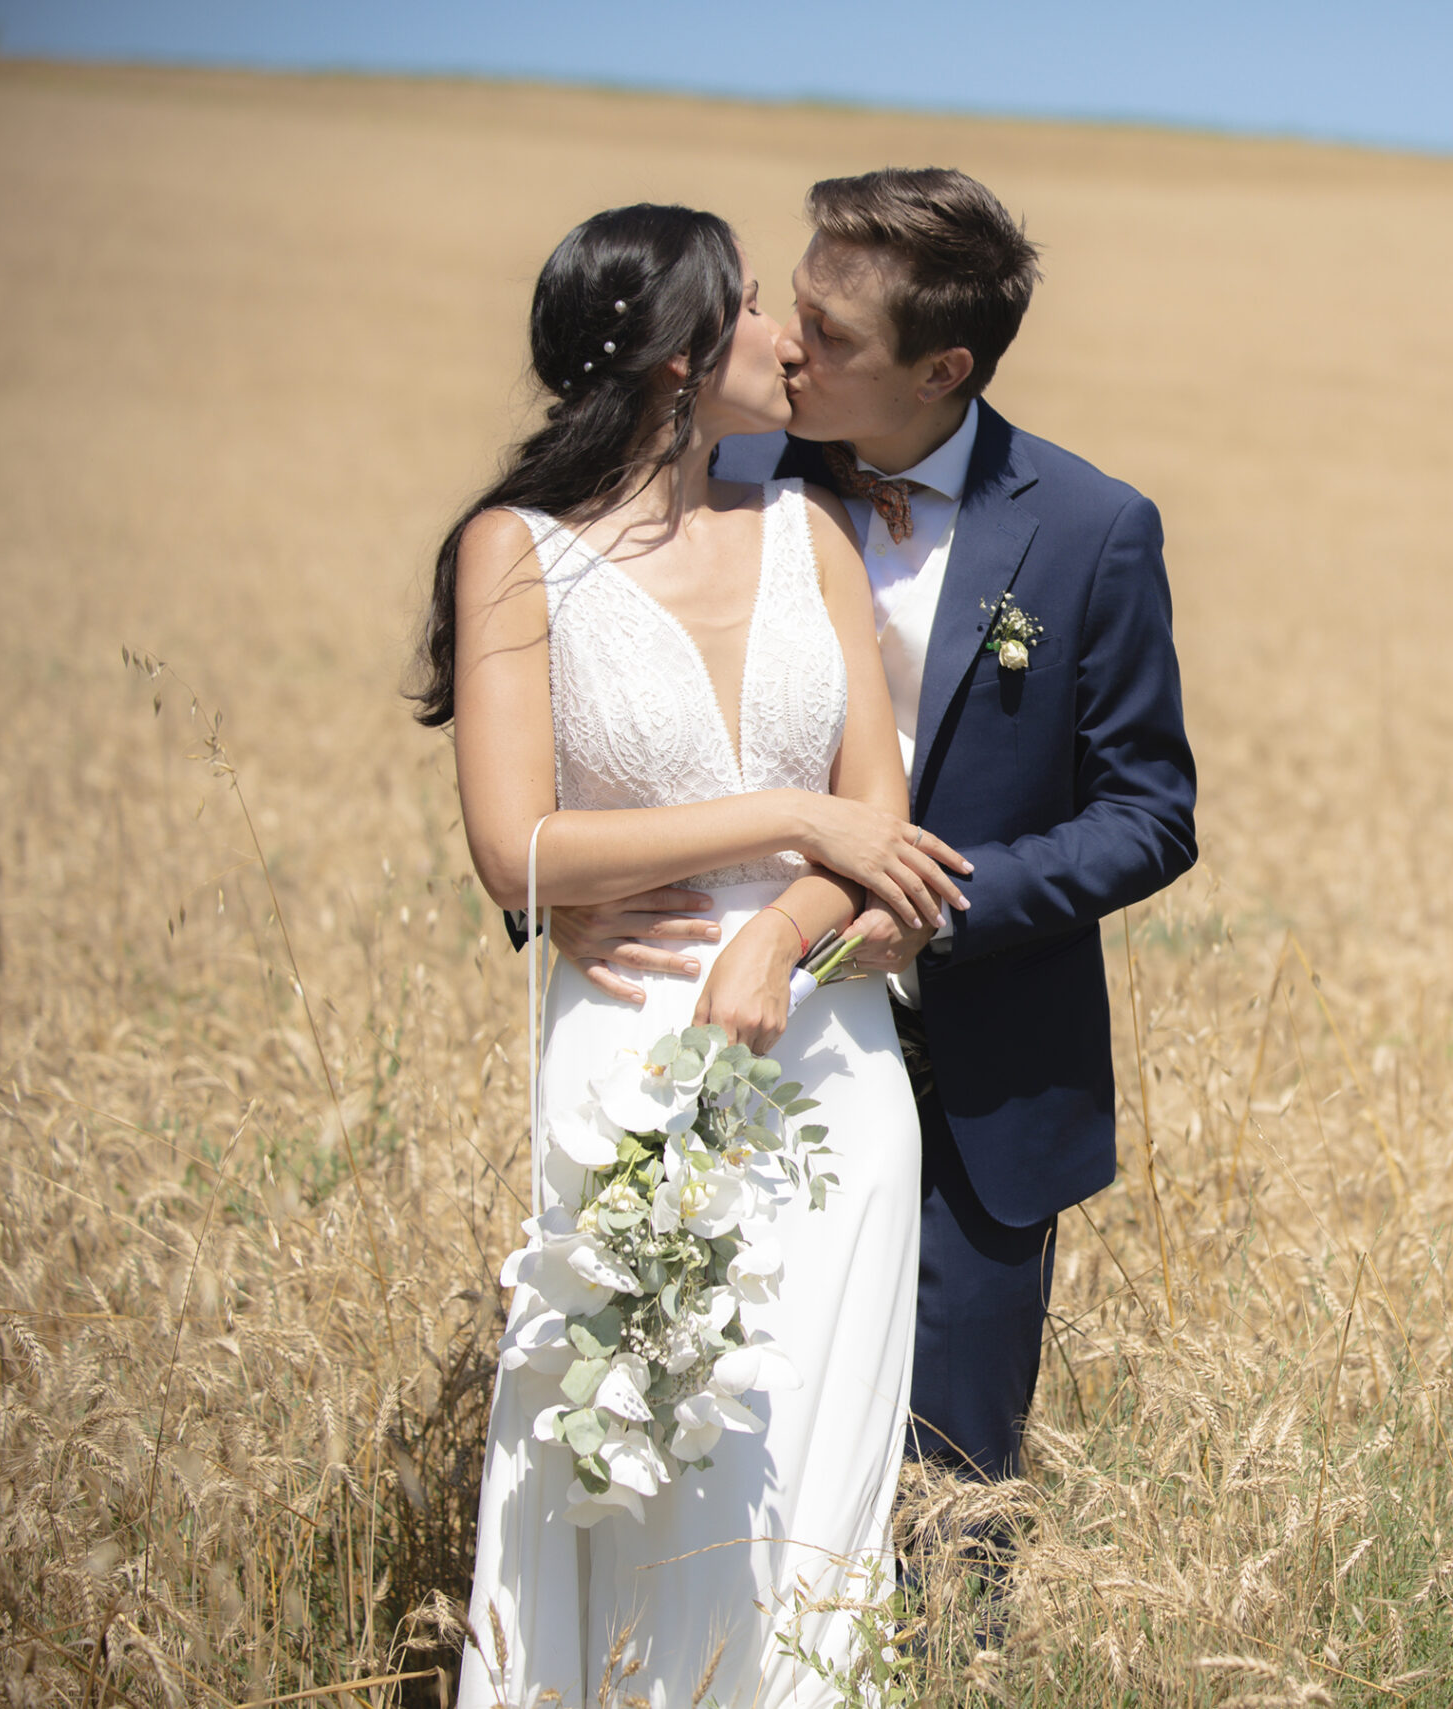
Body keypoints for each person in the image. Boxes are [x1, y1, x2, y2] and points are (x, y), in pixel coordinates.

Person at [550, 169, 1197, 1545]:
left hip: (982, 1077)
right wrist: (560, 905)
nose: (787, 344)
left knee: (949, 1499)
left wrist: (942, 910)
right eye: (792, 304)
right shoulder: (721, 478)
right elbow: (584, 712)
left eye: (833, 334)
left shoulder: (1091, 531)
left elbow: (1150, 812)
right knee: (717, 1467)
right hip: (722, 1040)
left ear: (942, 369)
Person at [416, 202, 972, 1707]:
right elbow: (516, 849)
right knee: (642, 1452)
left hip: (834, 1056)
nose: (793, 340)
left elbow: (880, 830)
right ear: (676, 356)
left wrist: (780, 931)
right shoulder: (515, 552)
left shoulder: (810, 533)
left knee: (816, 1473)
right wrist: (788, 818)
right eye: (757, 309)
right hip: (631, 1041)